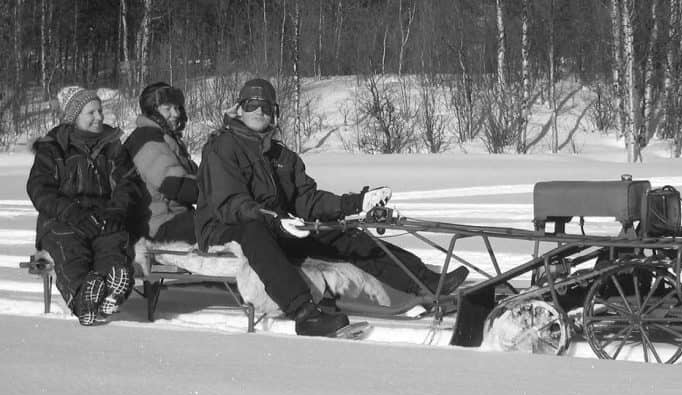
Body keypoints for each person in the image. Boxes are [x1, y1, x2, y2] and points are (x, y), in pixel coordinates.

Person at [195, 78, 468, 337]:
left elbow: (308, 200)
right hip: (224, 227)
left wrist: (354, 204)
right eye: (251, 105)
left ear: (274, 113)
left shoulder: (282, 157)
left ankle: (425, 281)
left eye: (265, 106)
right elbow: (229, 203)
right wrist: (274, 219)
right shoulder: (222, 146)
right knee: (255, 232)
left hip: (275, 224)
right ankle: (304, 314)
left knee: (340, 232)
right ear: (239, 109)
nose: (258, 111)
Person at [27, 86, 145, 325]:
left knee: (112, 243)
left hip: (103, 215)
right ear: (74, 117)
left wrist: (116, 210)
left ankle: (112, 285)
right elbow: (40, 190)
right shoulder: (53, 148)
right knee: (71, 251)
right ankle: (83, 298)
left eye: (100, 111)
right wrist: (71, 212)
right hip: (63, 219)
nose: (99, 117)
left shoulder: (112, 146)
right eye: (91, 112)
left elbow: (128, 183)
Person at [123, 82, 199, 243]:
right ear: (153, 111)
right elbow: (174, 184)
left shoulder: (166, 138)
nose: (176, 114)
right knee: (219, 225)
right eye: (168, 109)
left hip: (175, 217)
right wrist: (213, 193)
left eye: (177, 108)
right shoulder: (146, 139)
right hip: (157, 225)